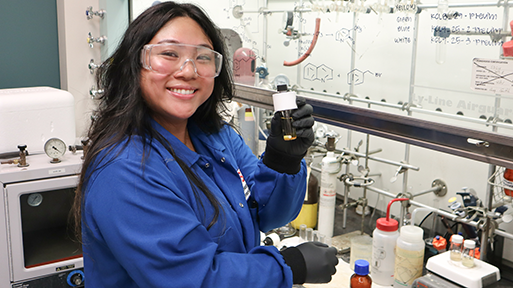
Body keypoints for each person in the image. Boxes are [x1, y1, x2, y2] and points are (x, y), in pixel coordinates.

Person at [73, 2, 338, 287]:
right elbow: (194, 278)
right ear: (134, 64)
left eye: (202, 57)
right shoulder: (124, 169)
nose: (188, 71)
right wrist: (289, 267)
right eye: (169, 53)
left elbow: (268, 215)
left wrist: (281, 160)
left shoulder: (216, 137)